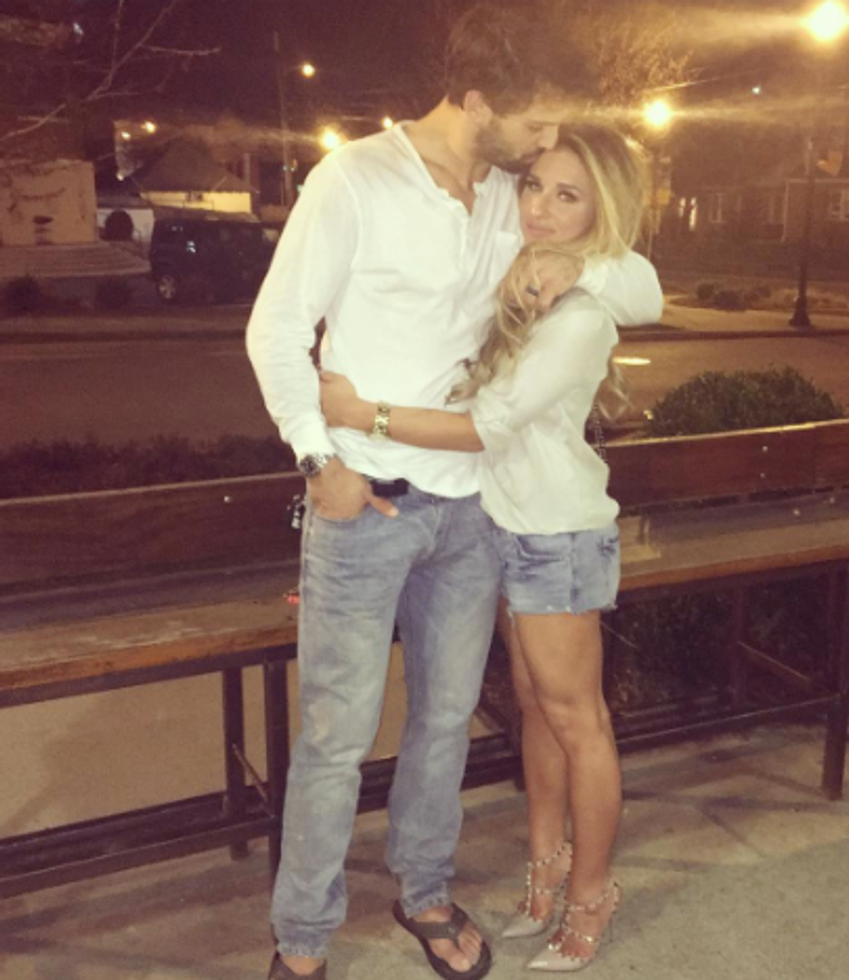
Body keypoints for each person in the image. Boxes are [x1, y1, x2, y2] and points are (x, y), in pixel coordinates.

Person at [246, 5, 663, 978]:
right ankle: (302, 939)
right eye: (534, 122)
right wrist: (320, 460)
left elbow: (640, 286)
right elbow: (275, 331)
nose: (545, 143)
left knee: (444, 722)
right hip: (364, 504)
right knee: (335, 736)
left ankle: (424, 889)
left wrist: (570, 260)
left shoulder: (511, 198)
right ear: (479, 102)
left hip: (472, 510)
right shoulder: (355, 178)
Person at [320, 119, 646, 973]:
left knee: (580, 721)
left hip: (556, 536)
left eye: (568, 196)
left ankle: (590, 896)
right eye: (535, 185)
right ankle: (545, 871)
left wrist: (362, 416)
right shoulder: (530, 275)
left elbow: (484, 427)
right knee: (535, 707)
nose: (538, 207)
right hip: (507, 527)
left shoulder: (581, 313)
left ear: (600, 210)